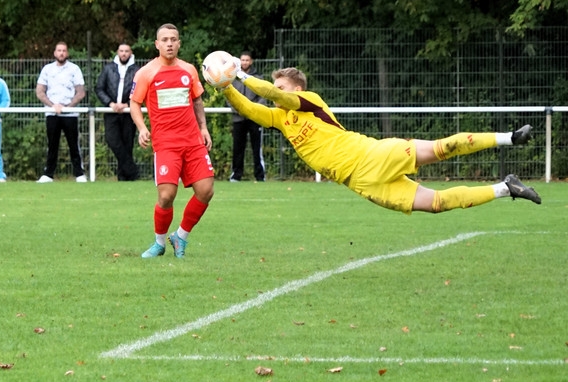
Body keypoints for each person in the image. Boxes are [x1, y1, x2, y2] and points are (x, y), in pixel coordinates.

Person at [219, 65, 542, 212]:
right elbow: (247, 107)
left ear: (297, 89)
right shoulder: (280, 117)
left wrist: (242, 74)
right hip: (360, 183)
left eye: (283, 87)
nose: (278, 94)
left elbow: (275, 94)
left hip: (370, 155)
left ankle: (509, 138)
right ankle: (506, 187)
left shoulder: (309, 102)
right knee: (436, 204)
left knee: (442, 149)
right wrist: (225, 85)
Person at [131, 25, 215, 259]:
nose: (169, 43)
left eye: (173, 39)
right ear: (156, 44)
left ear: (179, 43)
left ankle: (181, 236)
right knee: (166, 196)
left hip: (193, 141)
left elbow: (197, 100)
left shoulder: (189, 70)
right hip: (166, 144)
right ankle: (159, 243)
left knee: (206, 190)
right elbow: (135, 104)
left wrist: (203, 128)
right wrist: (141, 128)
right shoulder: (146, 73)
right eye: (164, 40)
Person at [36, 42, 87, 182]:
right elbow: (40, 92)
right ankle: (48, 174)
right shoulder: (47, 69)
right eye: (59, 50)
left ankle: (79, 174)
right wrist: (53, 106)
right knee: (52, 144)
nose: (61, 53)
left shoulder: (74, 69)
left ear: (67, 53)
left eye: (64, 50)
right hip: (52, 113)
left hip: (70, 114)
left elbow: (81, 92)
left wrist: (68, 106)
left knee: (73, 144)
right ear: (54, 53)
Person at [95, 44, 140, 181]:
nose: (124, 54)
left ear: (130, 53)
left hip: (128, 112)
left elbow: (140, 89)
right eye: (121, 51)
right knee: (112, 140)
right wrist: (111, 103)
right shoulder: (108, 69)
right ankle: (132, 170)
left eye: (126, 51)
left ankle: (124, 177)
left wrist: (128, 104)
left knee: (127, 144)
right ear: (117, 52)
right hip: (111, 112)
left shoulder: (137, 70)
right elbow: (99, 88)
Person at [228, 51, 265, 183]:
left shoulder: (258, 78)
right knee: (238, 147)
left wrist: (252, 110)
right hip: (238, 118)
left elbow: (263, 96)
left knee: (256, 148)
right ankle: (236, 175)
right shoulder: (232, 77)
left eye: (247, 60)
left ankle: (260, 176)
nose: (244, 62)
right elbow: (229, 95)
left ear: (251, 61)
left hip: (254, 118)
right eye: (242, 60)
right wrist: (238, 109)